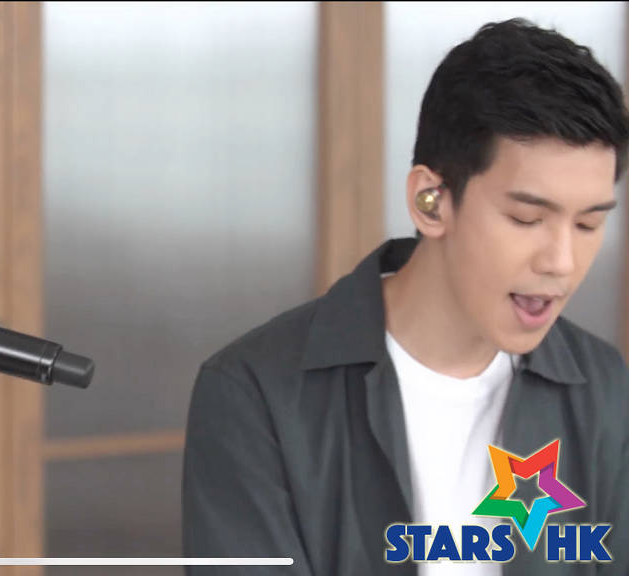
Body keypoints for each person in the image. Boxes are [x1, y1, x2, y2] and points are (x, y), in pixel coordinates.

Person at [183, 18, 629, 575]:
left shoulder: (604, 390)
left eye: (588, 225)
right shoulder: (255, 394)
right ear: (430, 201)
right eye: (526, 218)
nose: (561, 262)